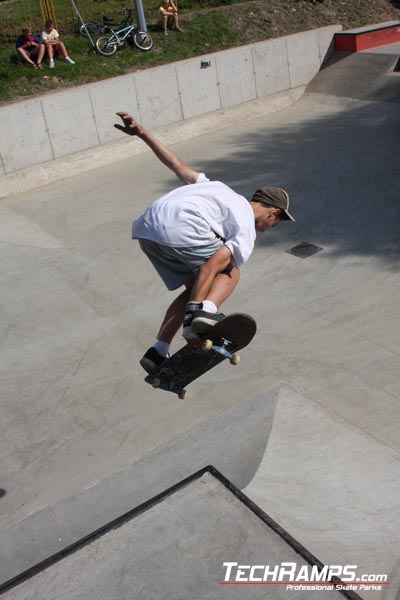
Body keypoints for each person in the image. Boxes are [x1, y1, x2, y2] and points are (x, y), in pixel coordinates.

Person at [114, 112, 295, 373]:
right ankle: (204, 312)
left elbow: (175, 164)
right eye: (274, 224)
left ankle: (158, 350)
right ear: (273, 212)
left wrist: (143, 134)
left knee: (195, 287)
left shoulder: (215, 188)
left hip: (148, 229)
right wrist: (194, 318)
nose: (269, 229)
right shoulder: (245, 225)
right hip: (183, 227)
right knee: (230, 271)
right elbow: (212, 266)